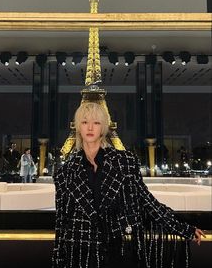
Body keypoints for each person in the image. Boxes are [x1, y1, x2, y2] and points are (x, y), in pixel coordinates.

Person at [53, 102, 205, 268]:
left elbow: (147, 201)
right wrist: (58, 260)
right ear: (78, 128)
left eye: (96, 123)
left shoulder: (125, 162)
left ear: (103, 128)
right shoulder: (65, 173)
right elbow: (62, 221)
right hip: (80, 253)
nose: (90, 127)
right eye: (84, 122)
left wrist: (183, 228)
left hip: (118, 250)